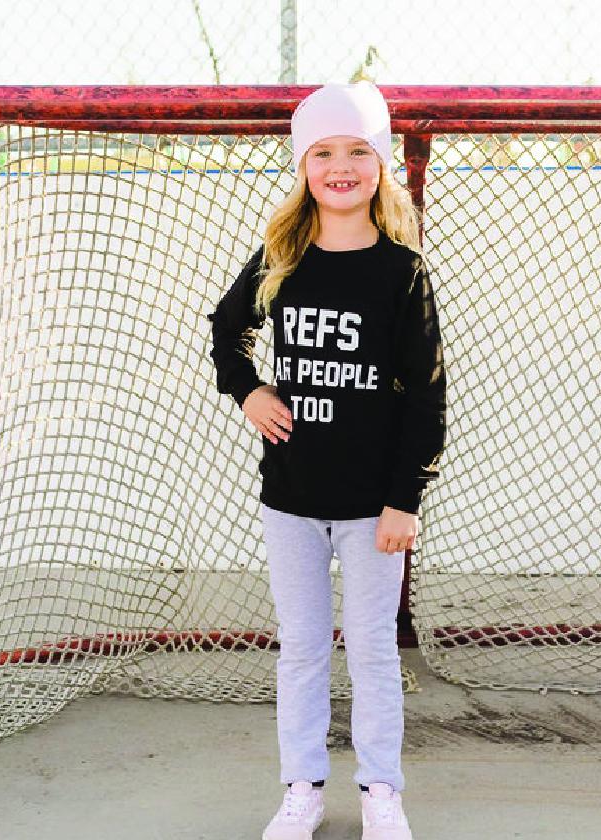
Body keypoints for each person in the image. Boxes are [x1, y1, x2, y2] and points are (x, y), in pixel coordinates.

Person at [208, 80, 447, 840]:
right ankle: (302, 789)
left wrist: (405, 499)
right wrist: (248, 390)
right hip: (291, 498)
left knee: (372, 651)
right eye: (322, 153)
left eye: (356, 151)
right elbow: (225, 331)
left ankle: (381, 792)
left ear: (379, 165)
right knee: (304, 650)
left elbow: (427, 397)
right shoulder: (282, 256)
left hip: (373, 507)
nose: (340, 167)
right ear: (302, 166)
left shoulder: (401, 272)